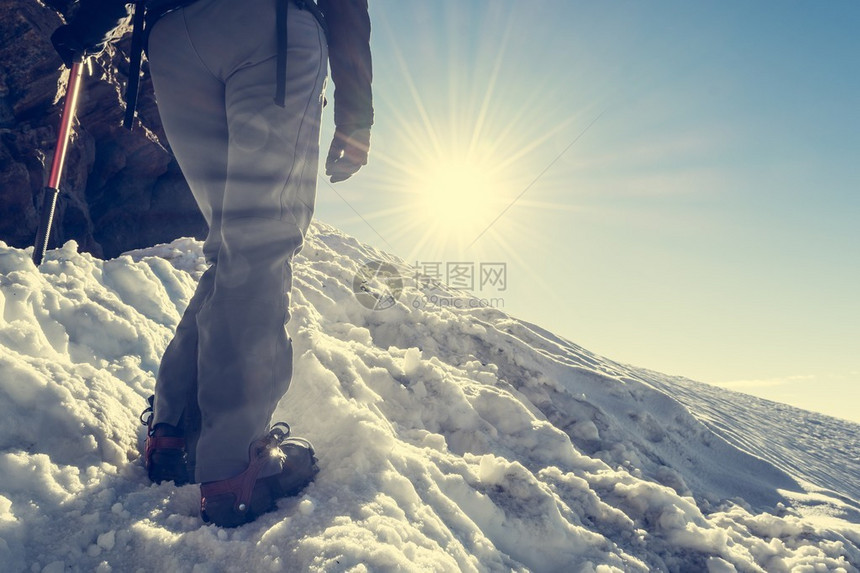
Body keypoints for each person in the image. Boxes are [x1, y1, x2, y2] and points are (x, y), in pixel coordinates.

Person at [51, 0, 373, 527]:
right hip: (269, 29)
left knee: (230, 246)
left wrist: (92, 23)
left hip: (174, 38)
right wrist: (357, 114)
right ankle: (233, 470)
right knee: (261, 242)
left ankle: (175, 434)